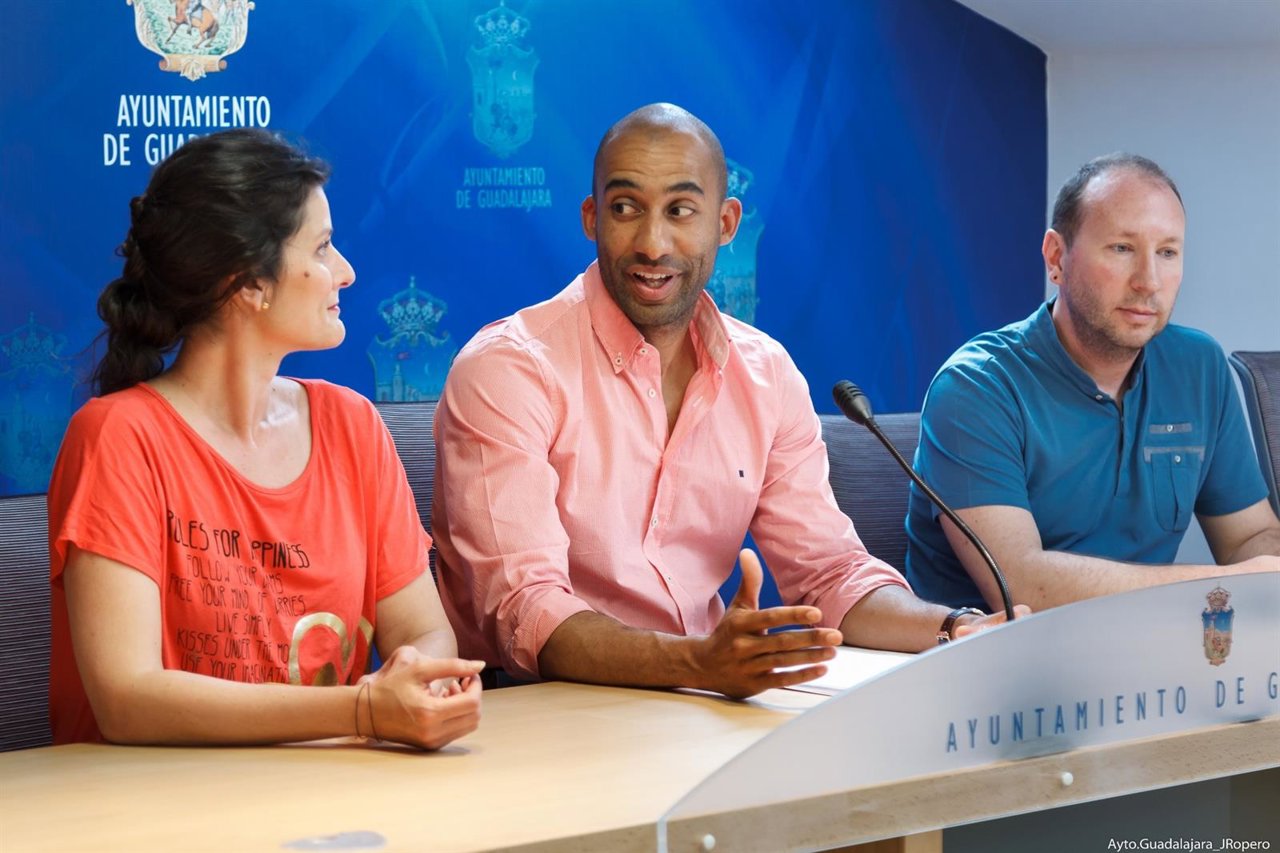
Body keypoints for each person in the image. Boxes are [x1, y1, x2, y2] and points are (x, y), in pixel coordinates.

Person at [431, 103, 1023, 700]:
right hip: (537, 709)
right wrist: (698, 664)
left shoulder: (766, 374)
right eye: (625, 208)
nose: (652, 242)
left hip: (700, 704)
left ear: (727, 222)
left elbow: (830, 574)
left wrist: (956, 629)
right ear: (591, 218)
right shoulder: (508, 369)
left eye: (681, 211)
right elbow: (524, 611)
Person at [48, 129, 483, 747]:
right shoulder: (118, 437)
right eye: (324, 247)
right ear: (248, 282)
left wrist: (425, 680)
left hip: (327, 798)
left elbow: (424, 631)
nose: (347, 272)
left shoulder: (353, 424)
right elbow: (126, 698)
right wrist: (361, 712)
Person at [904, 153, 1280, 612]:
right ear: (1056, 257)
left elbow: (1249, 535)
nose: (1149, 281)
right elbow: (1022, 587)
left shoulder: (1199, 366)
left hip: (1151, 661)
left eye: (1167, 252)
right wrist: (1226, 584)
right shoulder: (974, 389)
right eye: (1122, 248)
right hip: (992, 666)